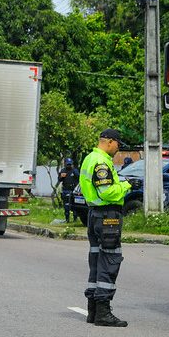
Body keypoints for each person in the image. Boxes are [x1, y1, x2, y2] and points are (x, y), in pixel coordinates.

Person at [79, 128, 137, 327]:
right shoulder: (101, 162)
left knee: (96, 260)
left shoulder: (90, 158)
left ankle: (93, 311)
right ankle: (103, 312)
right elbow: (107, 192)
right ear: (110, 141)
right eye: (118, 144)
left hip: (95, 215)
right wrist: (127, 185)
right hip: (107, 217)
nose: (118, 148)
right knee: (110, 260)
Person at [58, 158, 80, 223]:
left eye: (70, 164)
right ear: (65, 164)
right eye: (68, 164)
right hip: (65, 190)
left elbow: (79, 178)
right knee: (66, 206)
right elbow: (59, 180)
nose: (69, 166)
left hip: (73, 190)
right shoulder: (63, 170)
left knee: (74, 205)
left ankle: (75, 219)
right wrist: (61, 177)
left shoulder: (75, 171)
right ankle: (67, 219)